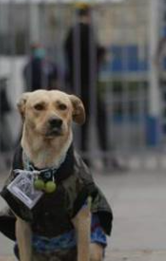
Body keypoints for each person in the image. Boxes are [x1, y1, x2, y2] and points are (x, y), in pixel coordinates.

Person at [64, 3, 119, 169]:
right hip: (88, 84)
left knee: (83, 123)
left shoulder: (71, 33)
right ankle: (107, 158)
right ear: (88, 15)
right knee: (100, 118)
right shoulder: (87, 31)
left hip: (77, 85)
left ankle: (85, 160)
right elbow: (91, 54)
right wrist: (103, 52)